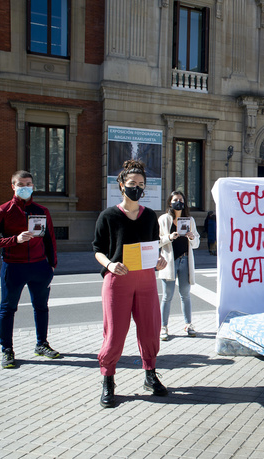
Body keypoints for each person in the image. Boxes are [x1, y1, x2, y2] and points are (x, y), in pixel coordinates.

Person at [92, 160, 168, 408]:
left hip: (146, 280)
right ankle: (108, 380)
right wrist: (110, 265)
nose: (136, 187)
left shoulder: (149, 217)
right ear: (122, 185)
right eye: (132, 183)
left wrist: (159, 260)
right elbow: (98, 250)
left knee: (149, 330)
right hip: (118, 280)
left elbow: (154, 247)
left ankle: (150, 374)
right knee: (114, 334)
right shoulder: (109, 216)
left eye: (141, 184)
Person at [0, 170, 59, 369]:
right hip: (13, 267)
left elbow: (50, 240)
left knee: (41, 307)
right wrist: (15, 239)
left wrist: (52, 265)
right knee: (7, 309)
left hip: (39, 267)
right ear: (13, 186)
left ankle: (42, 344)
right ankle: (7, 350)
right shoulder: (2, 211)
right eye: (21, 184)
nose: (25, 187)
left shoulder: (42, 210)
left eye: (28, 184)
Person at [159, 191, 201, 340]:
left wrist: (191, 237)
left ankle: (188, 324)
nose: (178, 202)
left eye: (181, 200)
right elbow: (157, 241)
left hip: (185, 260)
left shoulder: (189, 220)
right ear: (170, 202)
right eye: (175, 200)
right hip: (169, 261)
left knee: (185, 294)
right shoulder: (164, 219)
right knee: (167, 296)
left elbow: (196, 243)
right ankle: (163, 327)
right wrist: (169, 237)